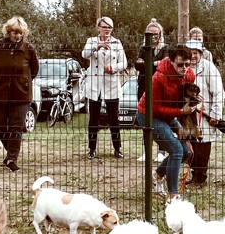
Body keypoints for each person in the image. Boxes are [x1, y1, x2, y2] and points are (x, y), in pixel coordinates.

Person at [136, 45, 197, 200]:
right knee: (176, 149)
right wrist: (181, 112)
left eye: (188, 64)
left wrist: (193, 101)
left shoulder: (190, 74)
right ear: (171, 62)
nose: (185, 68)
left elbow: (184, 95)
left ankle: (156, 176)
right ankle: (173, 196)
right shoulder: (158, 78)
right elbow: (154, 109)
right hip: (149, 115)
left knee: (187, 152)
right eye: (180, 65)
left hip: (169, 115)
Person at [0, 16, 39, 172]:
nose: (18, 36)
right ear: (8, 32)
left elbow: (34, 70)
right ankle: (11, 152)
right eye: (15, 32)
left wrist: (23, 82)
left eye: (21, 33)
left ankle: (11, 159)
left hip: (20, 94)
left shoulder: (28, 49)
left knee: (16, 128)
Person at [82, 16, 127, 159]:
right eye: (104, 27)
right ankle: (92, 149)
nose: (107, 30)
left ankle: (117, 148)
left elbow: (124, 63)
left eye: (110, 27)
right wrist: (98, 46)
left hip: (111, 85)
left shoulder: (117, 43)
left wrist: (112, 68)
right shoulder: (91, 41)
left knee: (114, 118)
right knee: (93, 119)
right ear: (98, 28)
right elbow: (84, 54)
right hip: (95, 86)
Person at [185, 39, 225, 187]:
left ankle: (200, 178)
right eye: (190, 53)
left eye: (196, 53)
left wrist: (216, 113)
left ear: (201, 53)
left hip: (205, 114)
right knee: (190, 145)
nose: (193, 56)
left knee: (202, 145)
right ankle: (195, 175)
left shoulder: (209, 68)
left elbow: (218, 92)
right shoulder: (185, 67)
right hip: (188, 115)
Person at [135, 19, 168, 163]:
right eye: (150, 34)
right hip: (144, 86)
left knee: (159, 118)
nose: (154, 37)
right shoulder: (144, 48)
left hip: (159, 87)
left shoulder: (165, 48)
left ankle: (161, 150)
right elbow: (137, 65)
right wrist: (154, 63)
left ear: (161, 34)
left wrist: (148, 63)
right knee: (144, 118)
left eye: (156, 34)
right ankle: (147, 151)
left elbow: (164, 65)